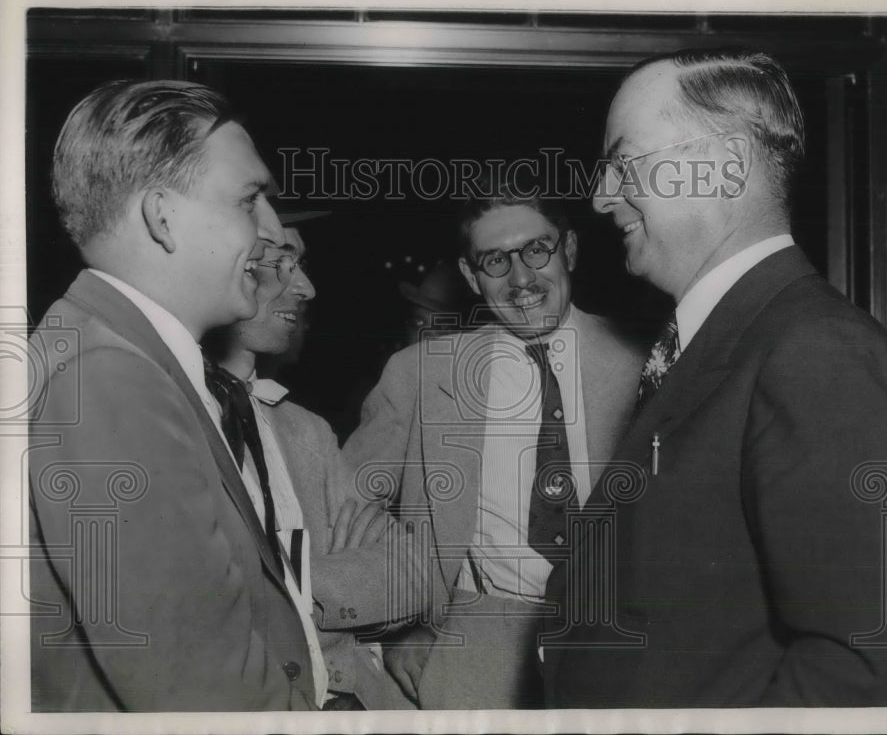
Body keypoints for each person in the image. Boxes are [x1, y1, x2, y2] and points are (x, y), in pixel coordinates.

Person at [541, 48, 887, 707]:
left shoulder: (815, 351)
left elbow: (878, 669)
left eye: (623, 163)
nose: (599, 197)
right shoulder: (720, 342)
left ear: (726, 168)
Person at [29, 80, 316, 710]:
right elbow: (208, 695)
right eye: (249, 201)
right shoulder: (111, 379)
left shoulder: (107, 351)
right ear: (163, 216)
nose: (271, 232)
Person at [340, 182, 644, 708]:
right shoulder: (421, 374)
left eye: (536, 250)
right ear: (470, 277)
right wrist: (397, 624)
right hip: (472, 650)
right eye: (495, 260)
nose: (522, 278)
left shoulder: (644, 364)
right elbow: (350, 508)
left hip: (616, 646)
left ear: (568, 249)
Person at [205, 212, 421, 710]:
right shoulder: (162, 412)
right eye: (279, 262)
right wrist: (329, 571)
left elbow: (412, 572)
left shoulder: (307, 432)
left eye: (300, 265)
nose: (306, 288)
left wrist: (297, 579)